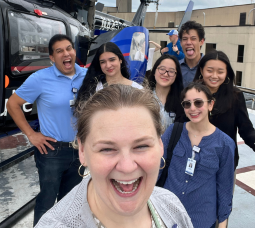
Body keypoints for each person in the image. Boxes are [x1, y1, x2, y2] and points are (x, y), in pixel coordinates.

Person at [35, 84, 193, 227]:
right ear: (82, 151)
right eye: (107, 149)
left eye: (142, 146)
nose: (127, 167)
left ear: (160, 145)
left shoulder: (171, 204)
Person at [7, 34, 87, 225]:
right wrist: (31, 135)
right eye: (59, 51)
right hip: (51, 151)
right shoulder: (40, 79)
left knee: (71, 202)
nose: (66, 53)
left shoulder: (86, 76)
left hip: (79, 150)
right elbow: (12, 105)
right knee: (47, 203)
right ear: (52, 57)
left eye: (69, 48)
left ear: (74, 52)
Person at [161, 82, 235, 228]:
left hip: (201, 220)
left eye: (198, 102)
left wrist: (222, 222)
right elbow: (156, 168)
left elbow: (225, 187)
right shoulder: (173, 131)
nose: (193, 108)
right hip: (166, 215)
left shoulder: (225, 144)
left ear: (210, 105)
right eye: (187, 104)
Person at [194, 51, 256, 168]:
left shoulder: (235, 96)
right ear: (201, 71)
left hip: (224, 162)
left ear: (227, 73)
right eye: (210, 70)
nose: (214, 76)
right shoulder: (191, 93)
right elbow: (181, 125)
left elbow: (246, 129)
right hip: (196, 160)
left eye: (220, 72)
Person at [76, 42, 143, 106]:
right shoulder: (94, 89)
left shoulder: (138, 89)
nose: (108, 65)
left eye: (112, 60)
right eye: (103, 62)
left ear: (120, 60)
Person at [148, 54, 185, 129]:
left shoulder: (182, 102)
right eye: (162, 69)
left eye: (171, 71)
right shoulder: (142, 97)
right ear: (154, 71)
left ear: (176, 75)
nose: (165, 74)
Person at [179, 21, 206, 86]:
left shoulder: (209, 68)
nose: (188, 42)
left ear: (201, 42)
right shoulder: (175, 68)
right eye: (185, 39)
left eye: (193, 39)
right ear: (181, 43)